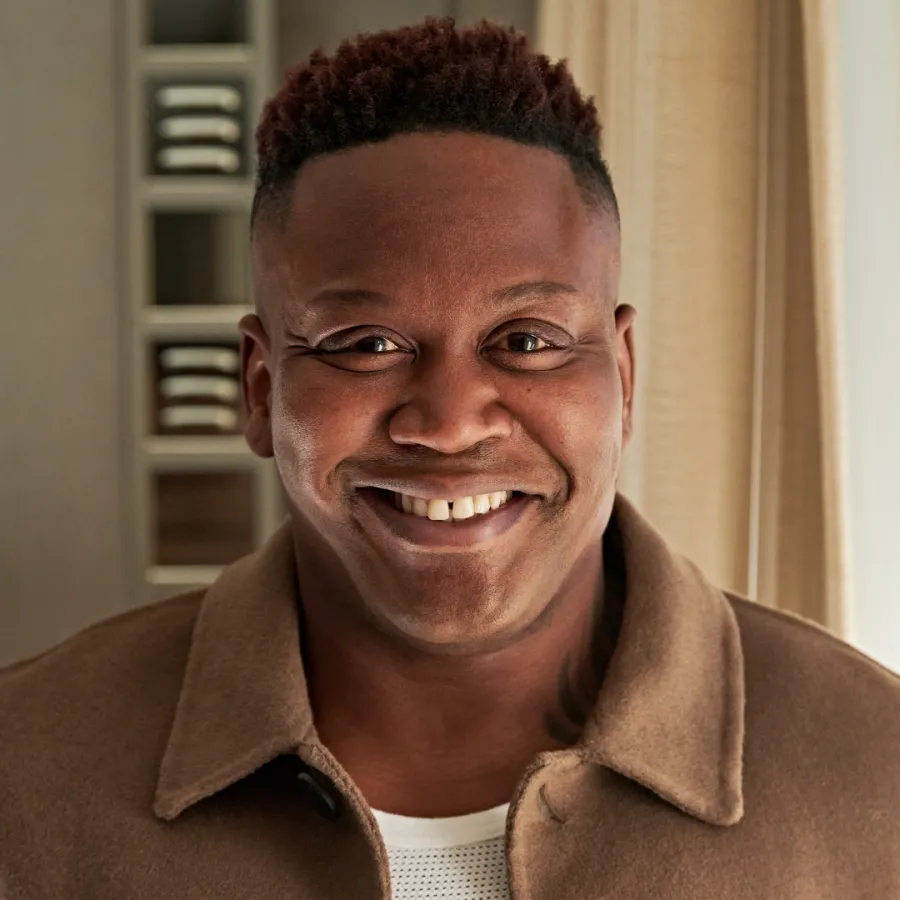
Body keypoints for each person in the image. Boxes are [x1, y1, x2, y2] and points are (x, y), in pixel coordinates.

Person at [1, 16, 899, 900]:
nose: (450, 422)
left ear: (622, 377)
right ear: (262, 388)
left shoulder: (878, 774)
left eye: (527, 339)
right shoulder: (25, 776)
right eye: (367, 344)